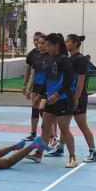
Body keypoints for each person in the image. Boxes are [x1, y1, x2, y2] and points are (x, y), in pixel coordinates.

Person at [46, 34, 96, 163]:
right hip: (69, 96)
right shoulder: (70, 58)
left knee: (82, 125)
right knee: (65, 125)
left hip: (78, 97)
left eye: (68, 41)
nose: (66, 43)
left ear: (75, 43)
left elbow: (81, 81)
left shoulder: (79, 59)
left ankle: (93, 152)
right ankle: (61, 148)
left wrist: (76, 99)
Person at [27, 33, 77, 168]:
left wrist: (57, 94)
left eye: (49, 45)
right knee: (45, 127)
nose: (46, 48)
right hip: (50, 99)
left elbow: (69, 81)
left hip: (63, 99)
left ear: (56, 45)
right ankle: (38, 154)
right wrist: (39, 96)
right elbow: (45, 81)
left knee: (64, 129)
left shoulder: (64, 60)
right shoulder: (48, 59)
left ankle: (72, 157)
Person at [23, 32, 43, 141]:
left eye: (39, 41)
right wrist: (26, 86)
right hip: (36, 86)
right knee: (35, 109)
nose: (36, 43)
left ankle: (53, 135)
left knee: (46, 111)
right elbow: (30, 71)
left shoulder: (49, 55)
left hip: (47, 88)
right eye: (35, 40)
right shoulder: (32, 55)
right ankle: (33, 132)